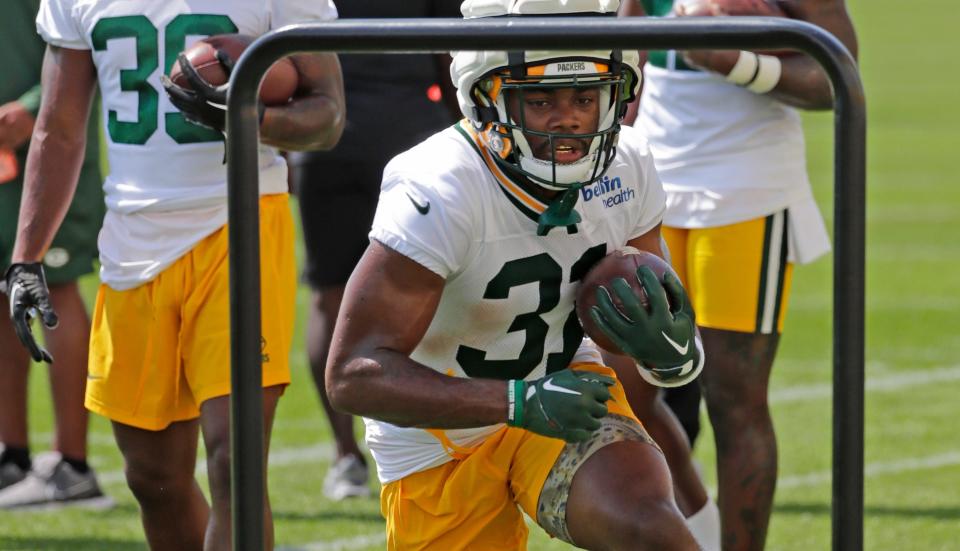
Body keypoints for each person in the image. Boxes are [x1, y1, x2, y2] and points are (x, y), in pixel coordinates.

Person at [325, 1, 709, 548]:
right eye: (540, 98)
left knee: (652, 530)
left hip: (568, 387)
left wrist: (672, 354)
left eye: (585, 96)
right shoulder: (442, 187)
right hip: (438, 433)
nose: (569, 118)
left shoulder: (629, 165)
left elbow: (660, 314)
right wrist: (518, 403)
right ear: (488, 97)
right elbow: (353, 375)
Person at [5, 0, 345, 548]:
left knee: (236, 460)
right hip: (132, 239)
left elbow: (327, 116)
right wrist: (26, 255)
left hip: (241, 221)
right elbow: (59, 127)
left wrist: (250, 117)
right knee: (152, 476)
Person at [620, 1, 859, 549]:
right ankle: (700, 534)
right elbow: (624, 37)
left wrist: (734, 60)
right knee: (621, 393)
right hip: (649, 177)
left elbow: (835, 73)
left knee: (733, 398)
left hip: (743, 183)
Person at [286, 0, 462, 502]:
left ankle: (346, 457)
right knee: (435, 293)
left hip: (327, 132)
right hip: (414, 130)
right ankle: (433, 438)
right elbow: (452, 50)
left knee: (331, 296)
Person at [0, 0, 107, 509]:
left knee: (54, 286)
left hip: (50, 143)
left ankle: (73, 463)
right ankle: (11, 454)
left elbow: (96, 38)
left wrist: (34, 103)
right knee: (2, 291)